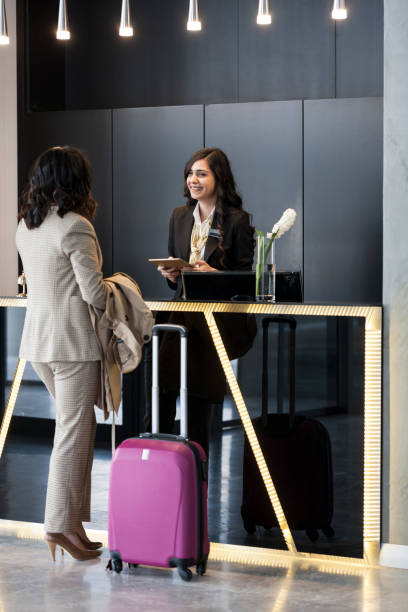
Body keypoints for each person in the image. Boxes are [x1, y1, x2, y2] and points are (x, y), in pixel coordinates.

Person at [16, 146, 108, 561]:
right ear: (76, 179)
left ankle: (71, 523)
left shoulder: (26, 226)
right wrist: (121, 289)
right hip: (72, 344)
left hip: (39, 343)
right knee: (73, 432)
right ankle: (58, 525)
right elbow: (93, 292)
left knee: (77, 428)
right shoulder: (76, 226)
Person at [152, 147, 255, 456]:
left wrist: (216, 275)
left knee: (197, 401)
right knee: (160, 387)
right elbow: (178, 271)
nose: (193, 180)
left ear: (218, 178)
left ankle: (197, 470)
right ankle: (159, 461)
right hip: (181, 315)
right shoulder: (179, 216)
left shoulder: (237, 221)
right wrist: (171, 274)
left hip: (215, 320)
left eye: (201, 173)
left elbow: (247, 281)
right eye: (190, 173)